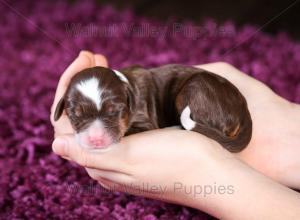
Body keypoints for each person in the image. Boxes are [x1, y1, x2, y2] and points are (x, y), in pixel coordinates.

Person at [50, 51, 300, 219]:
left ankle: (206, 128)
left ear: (128, 99)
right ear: (64, 108)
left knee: (196, 91)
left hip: (207, 96)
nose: (95, 134)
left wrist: (205, 172)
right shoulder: (125, 91)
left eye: (112, 113)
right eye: (79, 116)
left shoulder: (138, 98)